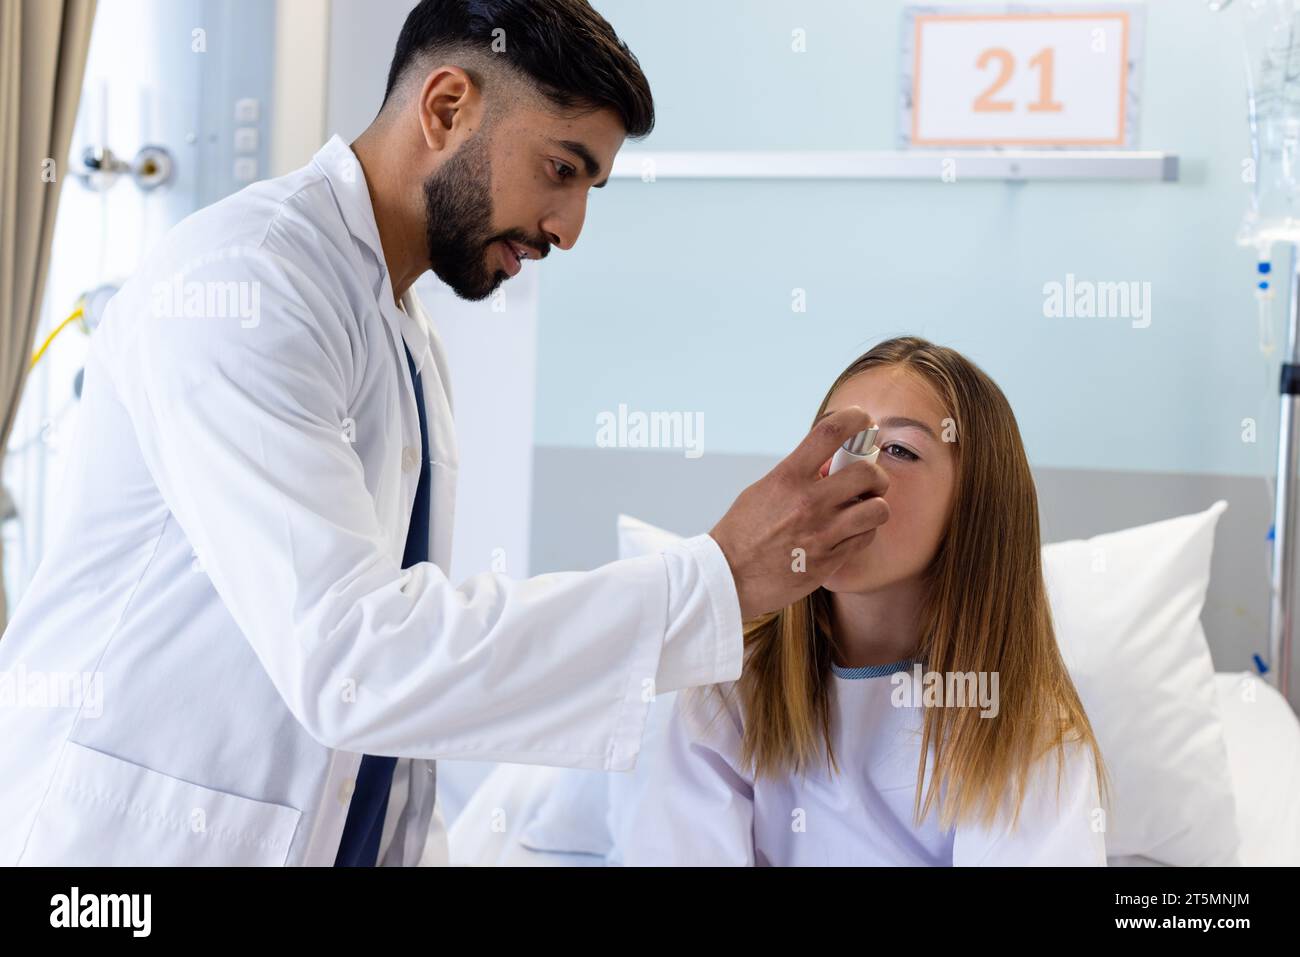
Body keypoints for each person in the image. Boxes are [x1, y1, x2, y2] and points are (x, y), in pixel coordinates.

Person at [0, 0, 890, 866]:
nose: (569, 229)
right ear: (447, 107)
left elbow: (398, 712)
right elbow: (352, 656)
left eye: (590, 187)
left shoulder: (405, 336)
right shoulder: (248, 285)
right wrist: (715, 578)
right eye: (561, 168)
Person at [617, 337, 1109, 866]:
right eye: (837, 440)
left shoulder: (1017, 725)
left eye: (899, 450)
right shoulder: (730, 685)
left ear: (975, 506)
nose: (848, 471)